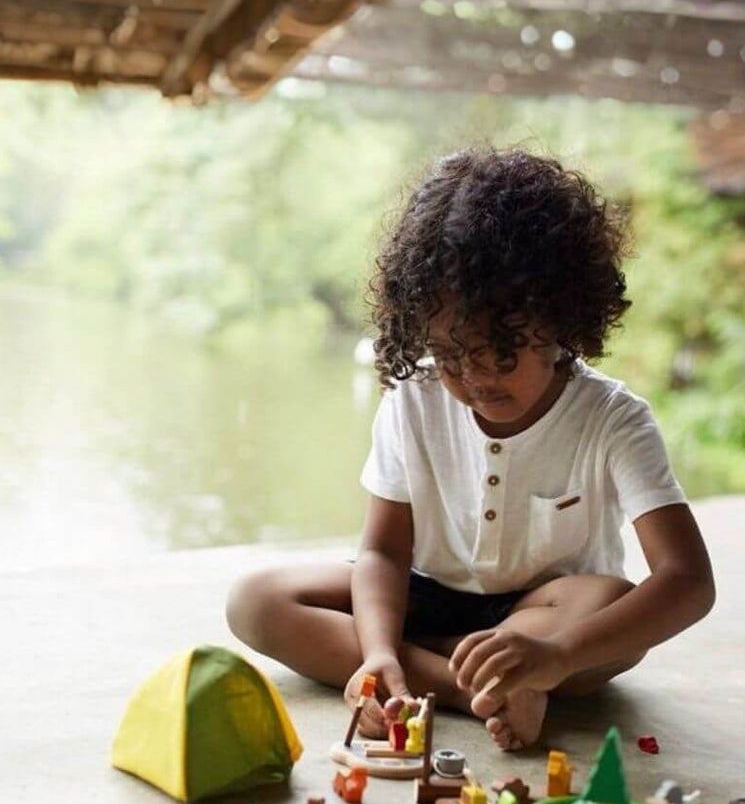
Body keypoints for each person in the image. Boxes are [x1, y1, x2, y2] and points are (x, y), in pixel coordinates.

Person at [226, 147, 715, 751]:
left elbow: (687, 580)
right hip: (424, 595)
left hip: (544, 613)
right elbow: (381, 552)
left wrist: (557, 653)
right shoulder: (414, 399)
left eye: (500, 352)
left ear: (561, 318)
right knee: (257, 602)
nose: (475, 378)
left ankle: (509, 670)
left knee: (612, 606)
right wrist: (378, 650)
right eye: (452, 355)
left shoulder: (612, 419)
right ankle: (463, 685)